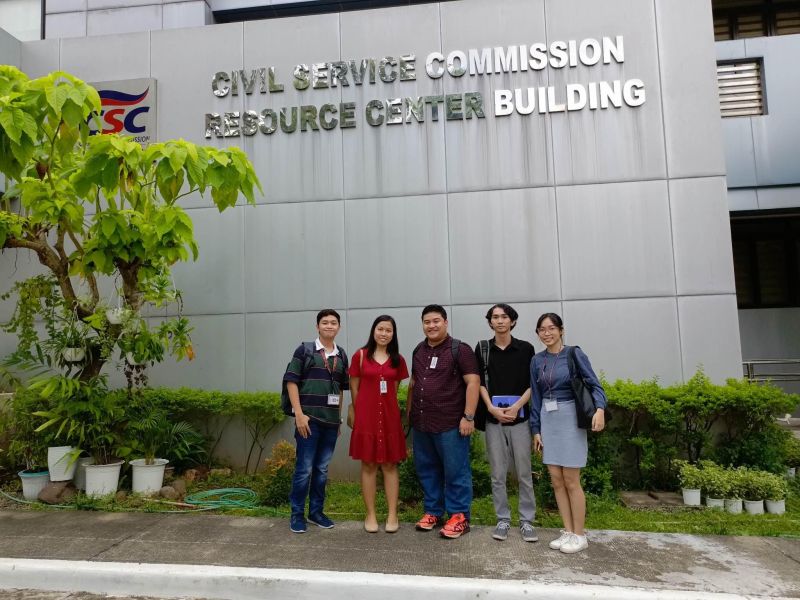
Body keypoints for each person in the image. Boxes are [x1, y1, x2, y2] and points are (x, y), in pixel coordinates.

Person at [530, 313, 606, 554]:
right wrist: (536, 429)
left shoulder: (574, 354)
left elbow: (594, 384)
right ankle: (568, 531)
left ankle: (580, 535)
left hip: (570, 417)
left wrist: (600, 409)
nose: (547, 333)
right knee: (556, 479)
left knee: (572, 480)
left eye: (551, 328)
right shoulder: (536, 360)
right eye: (542, 329)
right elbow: (536, 395)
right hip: (547, 418)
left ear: (561, 330)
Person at [407, 304, 480, 539]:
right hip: (421, 424)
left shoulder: (460, 349)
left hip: (451, 424)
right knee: (427, 470)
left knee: (456, 471)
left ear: (445, 322)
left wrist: (468, 416)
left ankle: (459, 516)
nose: (432, 325)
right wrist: (408, 417)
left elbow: (473, 383)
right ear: (422, 324)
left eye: (436, 321)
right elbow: (413, 384)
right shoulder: (419, 350)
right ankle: (433, 512)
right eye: (427, 322)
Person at [474, 303, 538, 543]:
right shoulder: (482, 349)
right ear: (490, 322)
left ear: (512, 321)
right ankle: (502, 519)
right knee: (497, 473)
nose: (500, 320)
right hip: (493, 420)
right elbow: (478, 382)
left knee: (524, 473)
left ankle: (527, 521)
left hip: (520, 419)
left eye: (504, 317)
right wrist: (490, 407)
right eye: (495, 317)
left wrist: (518, 405)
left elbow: (534, 383)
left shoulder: (526, 349)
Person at [283, 309, 349, 534]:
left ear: (339, 327)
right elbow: (291, 382)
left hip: (330, 424)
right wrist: (299, 415)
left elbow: (340, 389)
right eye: (325, 322)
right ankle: (297, 514)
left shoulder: (342, 355)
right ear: (317, 326)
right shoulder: (305, 350)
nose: (329, 326)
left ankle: (316, 512)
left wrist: (338, 419)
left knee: (321, 470)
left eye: (333, 323)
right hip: (308, 421)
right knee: (304, 470)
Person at [349, 315, 409, 533]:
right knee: (368, 465)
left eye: (389, 330)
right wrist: (361, 413)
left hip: (390, 418)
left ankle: (393, 514)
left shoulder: (398, 360)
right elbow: (354, 388)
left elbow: (395, 387)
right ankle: (371, 514)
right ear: (373, 330)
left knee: (391, 465)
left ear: (393, 334)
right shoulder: (361, 356)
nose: (384, 333)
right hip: (366, 418)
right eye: (380, 329)